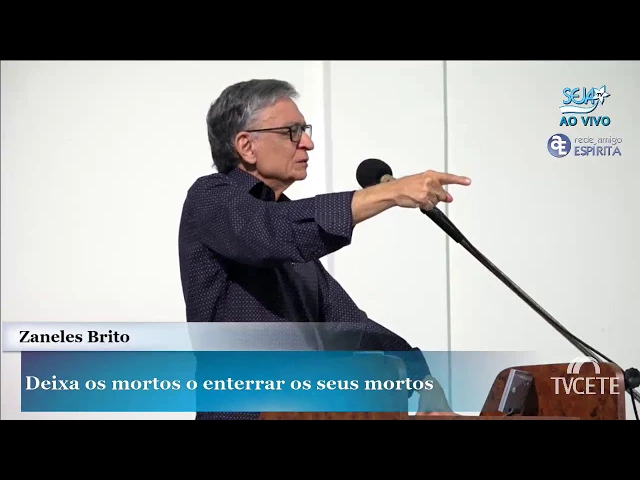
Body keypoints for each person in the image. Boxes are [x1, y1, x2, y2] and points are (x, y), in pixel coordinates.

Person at [178, 79, 471, 420]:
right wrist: (389, 192)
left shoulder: (290, 233)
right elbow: (272, 233)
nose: (308, 143)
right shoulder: (211, 199)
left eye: (304, 130)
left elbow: (352, 329)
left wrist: (424, 381)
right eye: (292, 131)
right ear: (247, 146)